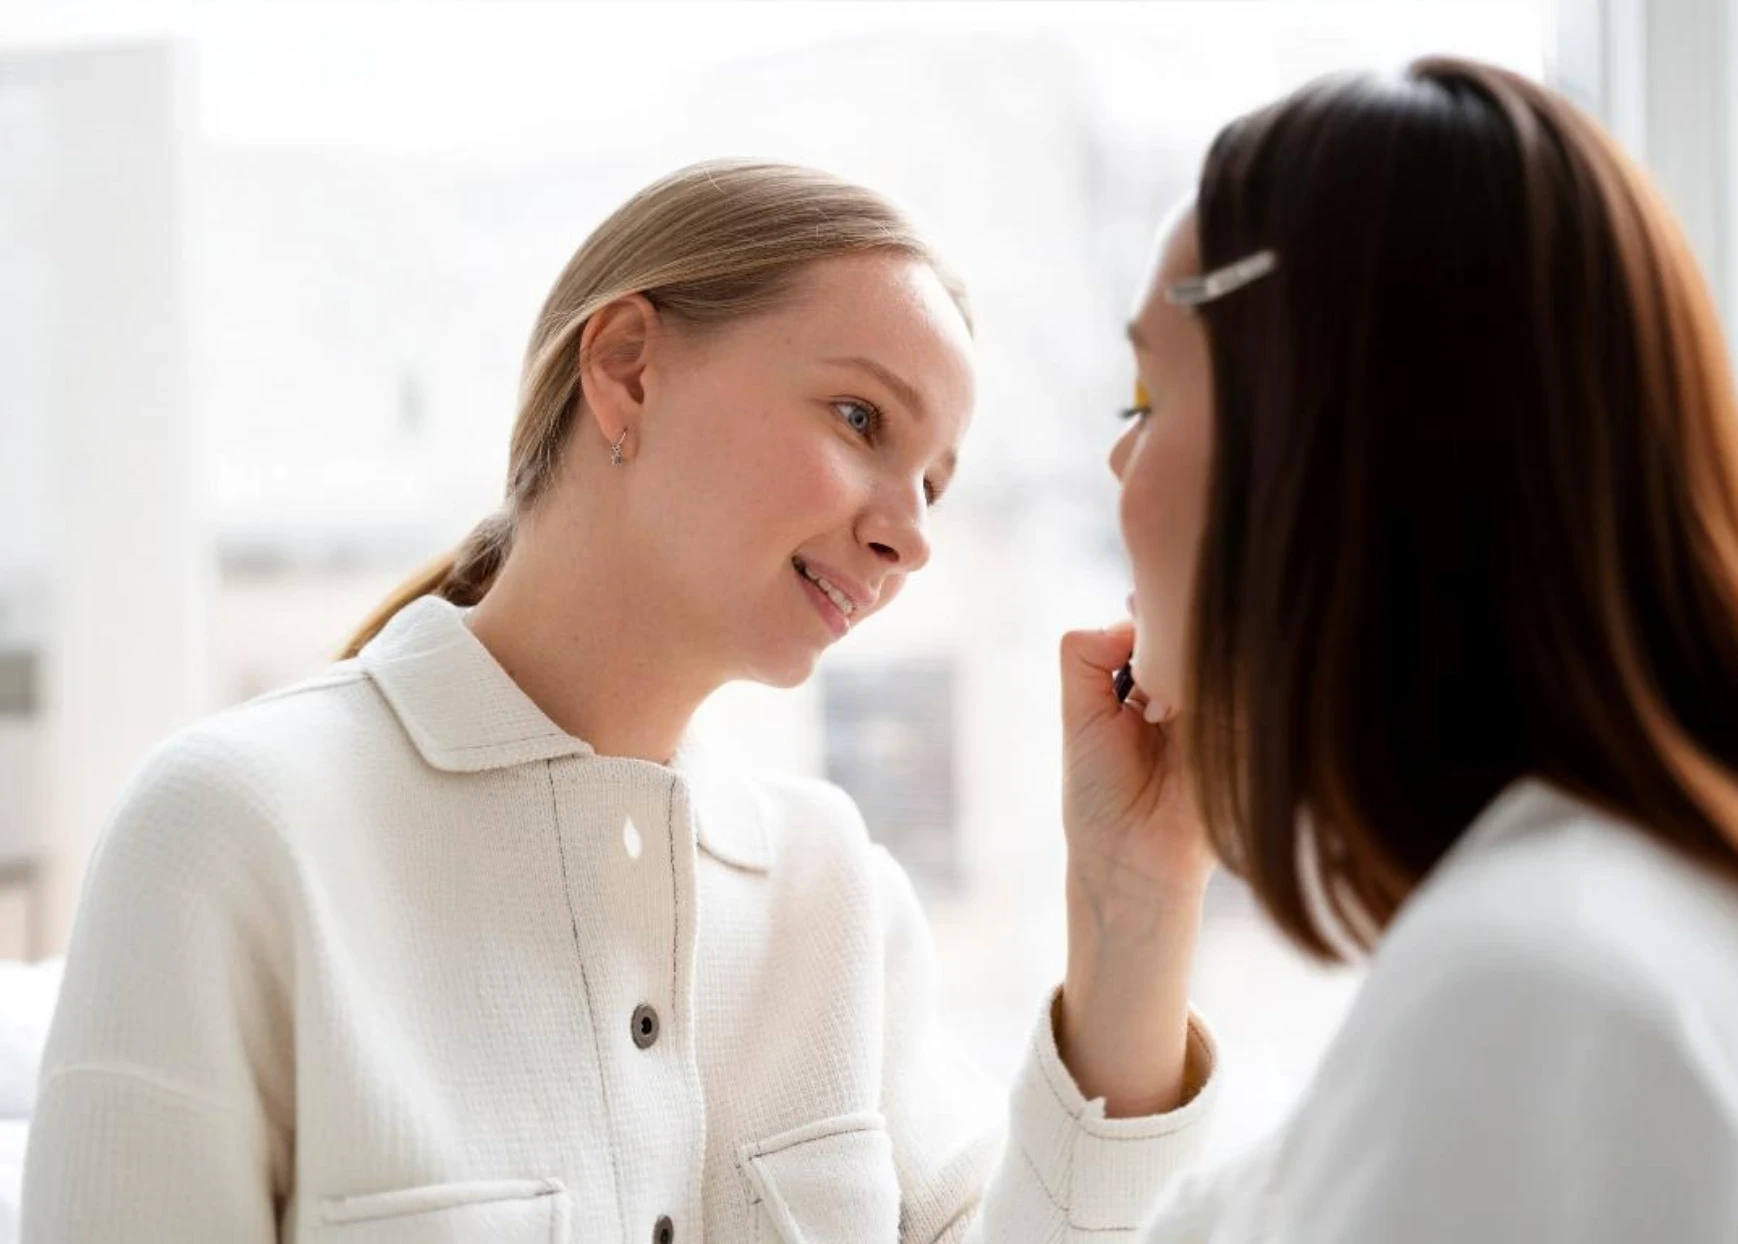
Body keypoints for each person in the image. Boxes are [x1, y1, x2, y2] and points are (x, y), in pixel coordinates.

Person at [23, 160, 1217, 1243]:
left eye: (934, 485)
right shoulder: (230, 832)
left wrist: (1137, 896)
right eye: (862, 418)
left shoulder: (833, 890)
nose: (909, 533)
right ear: (626, 368)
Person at [1101, 57, 1738, 1241]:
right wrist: (1129, 899)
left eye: (1147, 394)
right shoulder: (1609, 932)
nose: (1117, 470)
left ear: (1317, 432)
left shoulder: (1531, 995)